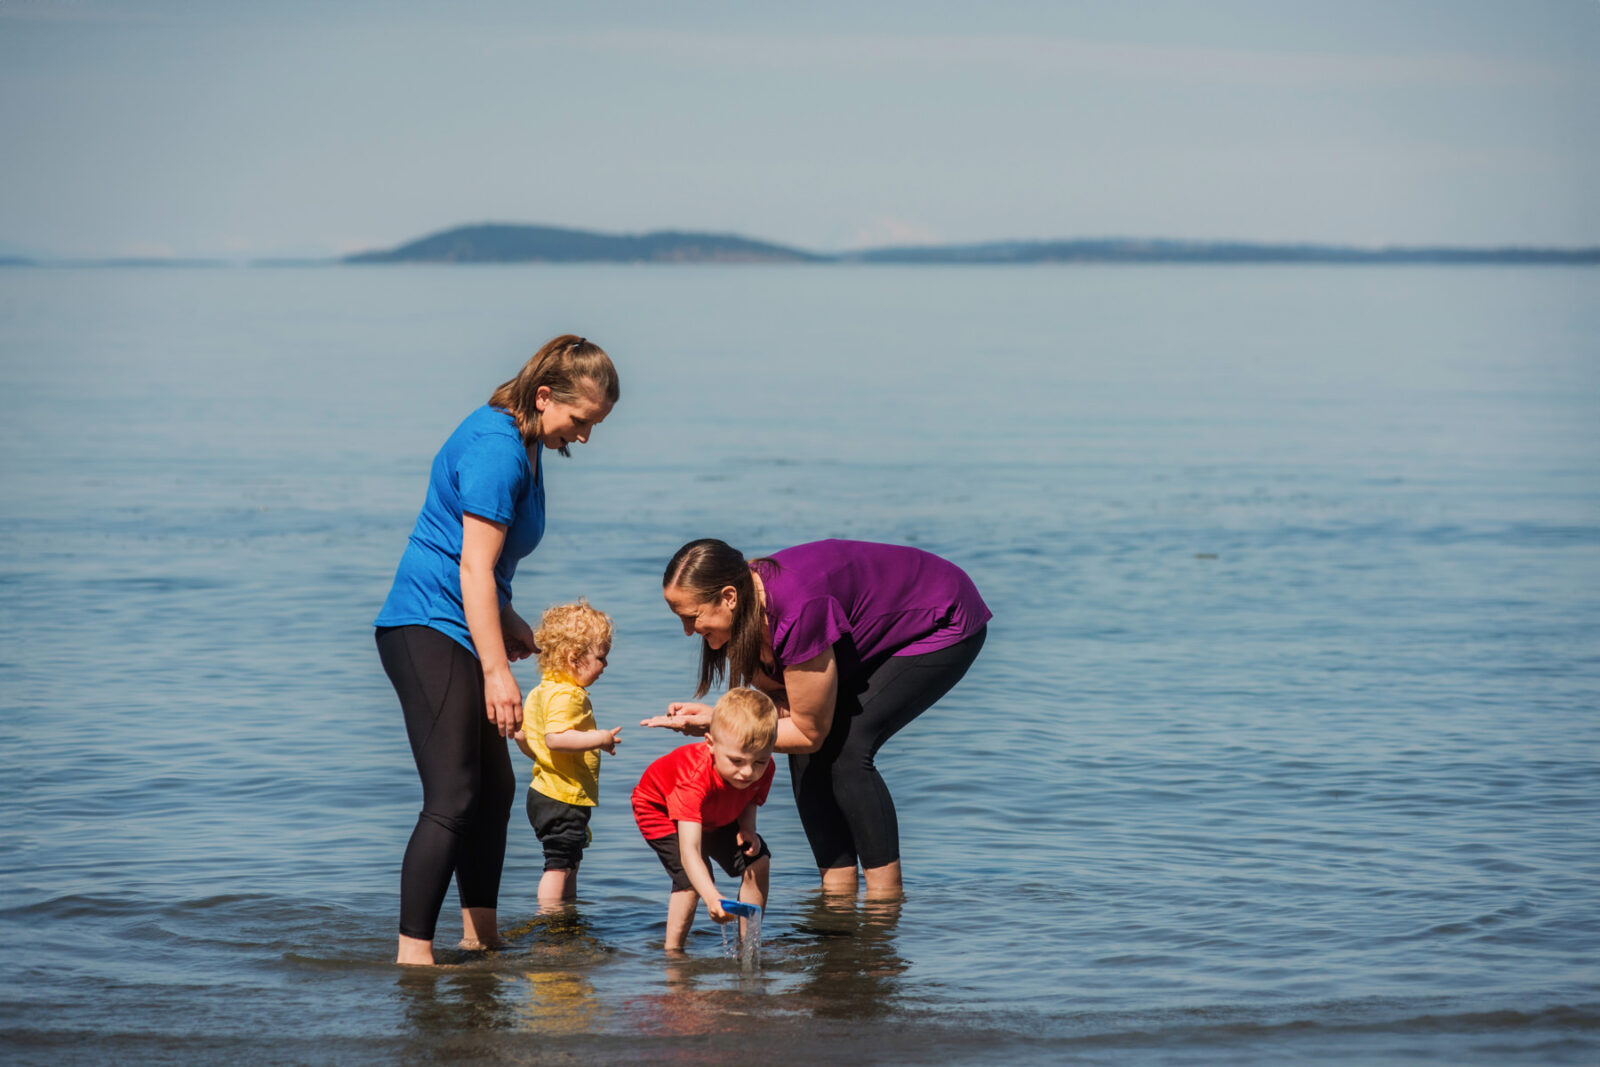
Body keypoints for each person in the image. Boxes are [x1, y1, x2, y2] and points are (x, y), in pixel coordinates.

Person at [374, 334, 619, 966]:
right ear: (544, 396)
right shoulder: (497, 449)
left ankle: (480, 941)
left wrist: (509, 626)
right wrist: (496, 673)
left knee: (496, 790)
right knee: (454, 797)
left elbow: (484, 576)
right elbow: (472, 570)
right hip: (426, 627)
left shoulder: (530, 443)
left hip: (460, 623)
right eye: (581, 421)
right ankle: (414, 958)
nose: (585, 437)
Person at [645, 538, 989, 896]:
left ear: (728, 597)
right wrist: (722, 719)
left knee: (848, 748)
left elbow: (810, 732)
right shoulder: (742, 614)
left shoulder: (795, 611)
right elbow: (784, 708)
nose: (687, 631)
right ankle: (837, 894)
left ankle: (884, 902)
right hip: (870, 629)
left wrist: (719, 728)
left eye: (691, 617)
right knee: (803, 748)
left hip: (941, 616)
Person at [632, 688, 777, 951]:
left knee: (758, 858)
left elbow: (750, 798)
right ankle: (673, 953)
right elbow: (690, 851)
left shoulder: (763, 768)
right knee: (692, 879)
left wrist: (747, 829)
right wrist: (712, 897)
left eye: (759, 762)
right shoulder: (694, 778)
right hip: (658, 808)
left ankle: (749, 946)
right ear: (710, 744)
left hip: (714, 812)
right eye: (736, 760)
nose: (747, 772)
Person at [513, 600, 623, 904]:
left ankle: (566, 914)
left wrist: (522, 740)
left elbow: (532, 743)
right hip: (561, 796)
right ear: (574, 658)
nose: (605, 666)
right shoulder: (568, 696)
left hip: (547, 792)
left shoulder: (542, 691)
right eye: (601, 657)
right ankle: (550, 920)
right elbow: (556, 740)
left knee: (569, 860)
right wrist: (599, 738)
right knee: (558, 865)